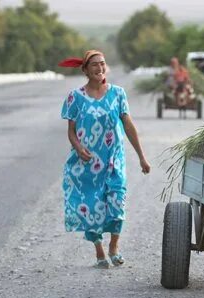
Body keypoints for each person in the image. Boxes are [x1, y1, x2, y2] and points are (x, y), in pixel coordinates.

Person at [59, 50, 151, 269]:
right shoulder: (75, 97)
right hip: (87, 164)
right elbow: (71, 131)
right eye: (94, 65)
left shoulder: (118, 94)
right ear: (85, 70)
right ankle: (99, 250)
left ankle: (114, 247)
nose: (99, 68)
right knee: (92, 207)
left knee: (117, 203)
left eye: (102, 64)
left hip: (113, 161)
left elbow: (128, 126)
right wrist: (79, 147)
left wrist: (141, 157)